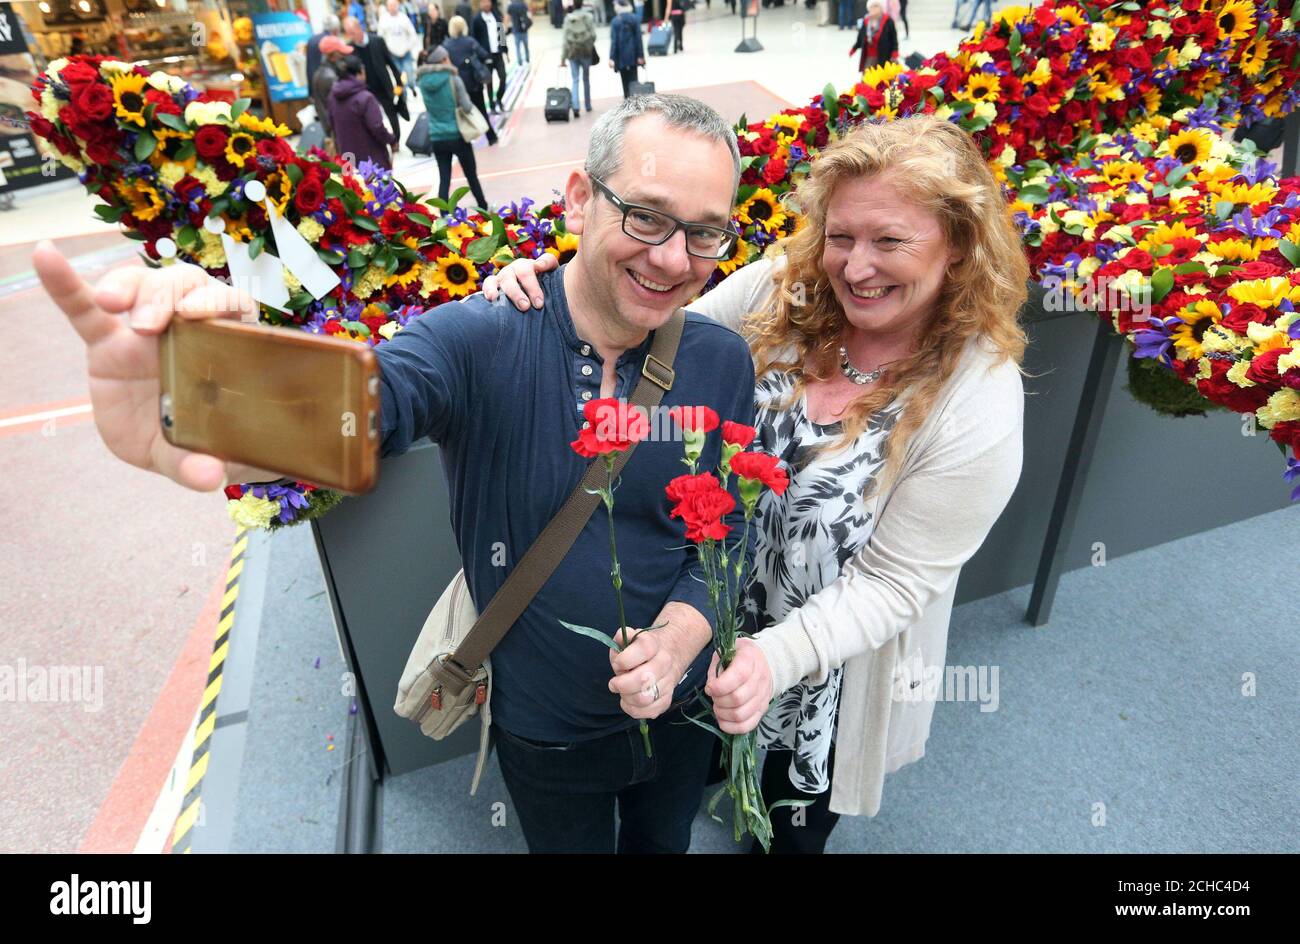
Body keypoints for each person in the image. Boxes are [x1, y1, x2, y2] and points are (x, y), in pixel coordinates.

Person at [33, 93, 757, 855]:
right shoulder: (479, 338)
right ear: (580, 200)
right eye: (645, 215)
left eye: (705, 232)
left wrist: (684, 634)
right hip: (546, 733)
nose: (674, 258)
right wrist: (223, 395)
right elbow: (369, 404)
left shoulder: (718, 360)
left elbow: (727, 531)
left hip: (679, 715)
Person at [484, 113, 1029, 854]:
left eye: (891, 241)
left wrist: (773, 660)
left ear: (959, 248)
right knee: (674, 790)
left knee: (785, 830)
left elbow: (894, 585)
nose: (857, 267)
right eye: (841, 236)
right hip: (696, 623)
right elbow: (649, 327)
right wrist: (549, 297)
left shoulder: (978, 403)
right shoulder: (783, 291)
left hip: (822, 675)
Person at [416, 45, 490, 209]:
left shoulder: (422, 81)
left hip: (436, 136)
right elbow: (467, 107)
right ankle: (483, 207)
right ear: (443, 60)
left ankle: (444, 214)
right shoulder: (453, 79)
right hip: (457, 134)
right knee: (471, 175)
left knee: (444, 178)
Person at [343, 14, 409, 141]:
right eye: (348, 33)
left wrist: (399, 84)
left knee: (392, 113)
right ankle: (379, 140)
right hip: (364, 89)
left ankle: (396, 139)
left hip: (383, 85)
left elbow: (391, 63)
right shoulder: (350, 48)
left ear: (359, 28)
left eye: (352, 32)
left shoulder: (377, 41)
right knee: (371, 117)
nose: (351, 36)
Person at [328, 54, 399, 169]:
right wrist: (392, 140)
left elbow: (331, 125)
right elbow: (377, 126)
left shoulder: (333, 97)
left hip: (348, 159)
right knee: (379, 186)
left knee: (355, 186)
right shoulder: (365, 98)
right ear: (360, 72)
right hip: (372, 159)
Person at [443, 14, 498, 145]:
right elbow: (484, 54)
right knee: (481, 110)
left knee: (460, 114)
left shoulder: (446, 45)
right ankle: (491, 136)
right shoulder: (470, 40)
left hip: (456, 83)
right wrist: (501, 50)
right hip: (473, 82)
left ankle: (464, 140)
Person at [311, 35, 355, 146]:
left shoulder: (321, 73)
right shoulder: (330, 78)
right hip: (338, 131)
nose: (344, 58)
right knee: (349, 161)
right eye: (341, 54)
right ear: (333, 56)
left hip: (333, 129)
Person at [561, 0, 598, 118]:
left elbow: (565, 41)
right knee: (586, 79)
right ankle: (588, 105)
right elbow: (593, 35)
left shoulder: (568, 19)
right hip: (586, 52)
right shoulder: (588, 16)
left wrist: (562, 59)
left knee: (575, 80)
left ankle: (576, 107)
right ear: (582, 4)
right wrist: (588, 44)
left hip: (573, 53)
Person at [471, 0, 509, 111]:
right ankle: (492, 105)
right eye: (483, 2)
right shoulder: (477, 19)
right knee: (489, 81)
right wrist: (479, 54)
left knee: (503, 77)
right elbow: (474, 39)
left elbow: (501, 34)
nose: (486, 4)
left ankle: (499, 99)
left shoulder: (496, 16)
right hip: (485, 55)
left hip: (498, 53)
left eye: (487, 2)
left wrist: (505, 50)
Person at [378, 0, 421, 86]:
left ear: (397, 5)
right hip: (392, 54)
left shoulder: (403, 18)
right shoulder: (383, 19)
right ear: (387, 7)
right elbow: (380, 38)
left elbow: (413, 34)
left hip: (405, 53)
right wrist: (386, 50)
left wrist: (408, 47)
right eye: (390, 5)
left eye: (394, 5)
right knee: (399, 77)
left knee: (410, 76)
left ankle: (412, 88)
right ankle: (403, 95)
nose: (392, 7)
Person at [609, 0, 645, 99]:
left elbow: (614, 42)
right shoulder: (635, 19)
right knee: (634, 81)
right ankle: (634, 103)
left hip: (621, 57)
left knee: (624, 82)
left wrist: (612, 58)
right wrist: (641, 55)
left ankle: (627, 102)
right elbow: (638, 39)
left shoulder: (615, 21)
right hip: (633, 55)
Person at [850, 0, 898, 73]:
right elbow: (860, 38)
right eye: (871, 6)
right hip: (869, 58)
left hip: (884, 57)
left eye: (876, 6)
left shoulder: (888, 21)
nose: (873, 8)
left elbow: (894, 39)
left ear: (881, 8)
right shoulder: (866, 21)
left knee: (882, 81)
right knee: (868, 80)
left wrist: (895, 52)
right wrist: (854, 48)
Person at [306, 14, 342, 93]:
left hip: (314, 83)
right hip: (329, 84)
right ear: (336, 29)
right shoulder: (332, 42)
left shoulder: (312, 40)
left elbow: (308, 66)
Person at [506, 0, 532, 65]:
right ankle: (527, 59)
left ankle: (520, 62)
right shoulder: (523, 4)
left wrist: (506, 27)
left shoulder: (511, 6)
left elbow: (507, 17)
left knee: (517, 47)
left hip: (516, 30)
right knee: (526, 46)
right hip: (524, 29)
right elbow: (529, 14)